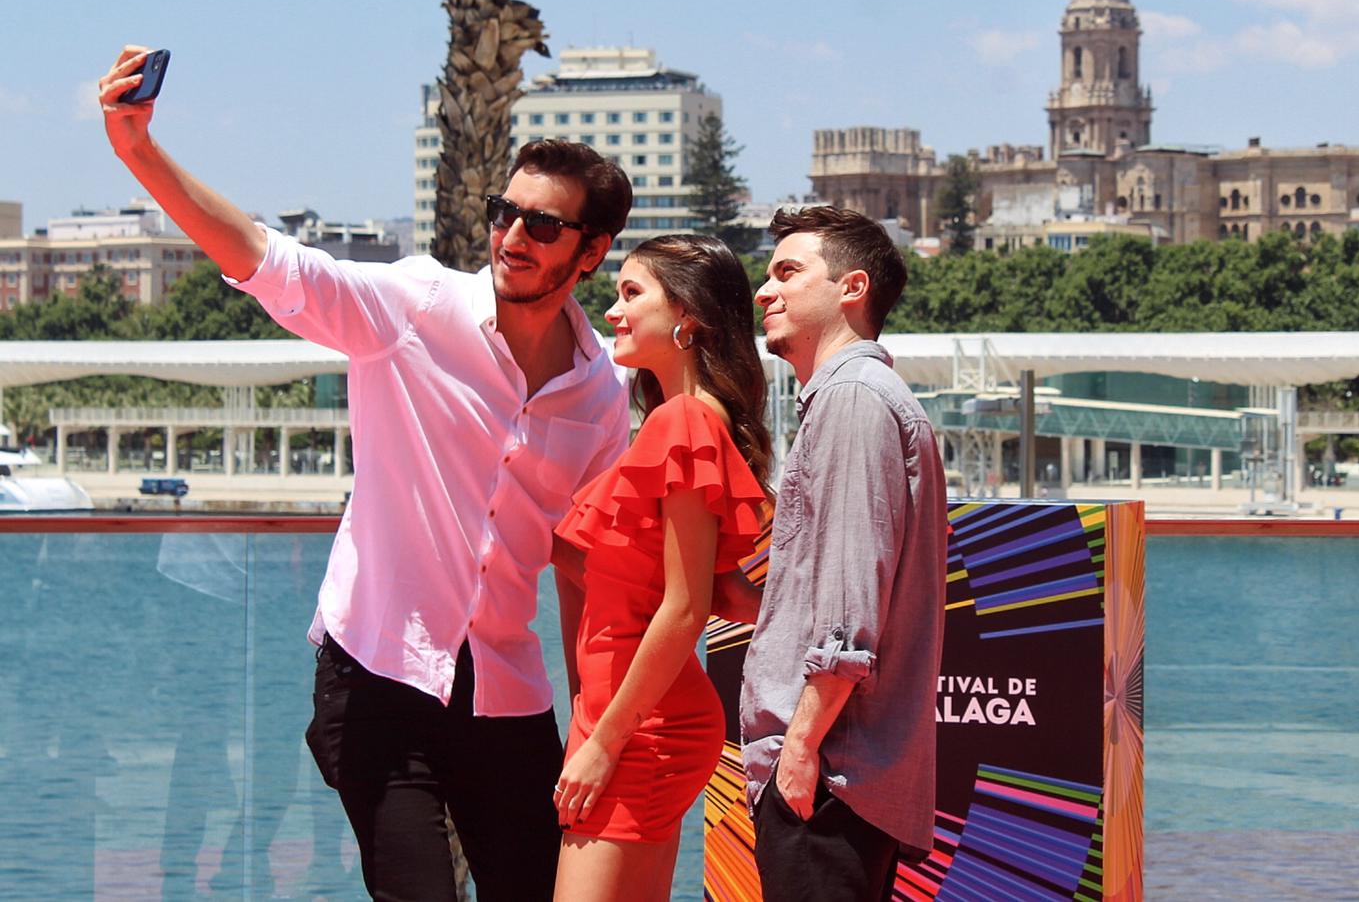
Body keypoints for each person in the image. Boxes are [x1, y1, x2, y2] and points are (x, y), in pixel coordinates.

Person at [98, 45, 633, 901]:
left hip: (506, 689)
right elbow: (271, 265)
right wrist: (139, 152)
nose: (511, 237)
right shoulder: (416, 308)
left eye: (543, 225)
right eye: (506, 213)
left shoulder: (602, 396)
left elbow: (585, 567)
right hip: (378, 676)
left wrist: (593, 724)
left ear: (592, 251)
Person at [549, 235, 770, 902]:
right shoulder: (682, 422)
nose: (613, 310)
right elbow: (718, 592)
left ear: (689, 317)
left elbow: (683, 608)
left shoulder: (683, 423)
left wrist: (603, 741)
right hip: (627, 715)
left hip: (638, 727)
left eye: (631, 292)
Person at [741, 206, 948, 902]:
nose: (765, 292)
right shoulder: (858, 398)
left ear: (851, 288)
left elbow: (850, 604)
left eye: (787, 273)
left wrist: (799, 748)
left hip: (828, 775)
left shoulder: (853, 400)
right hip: (841, 772)